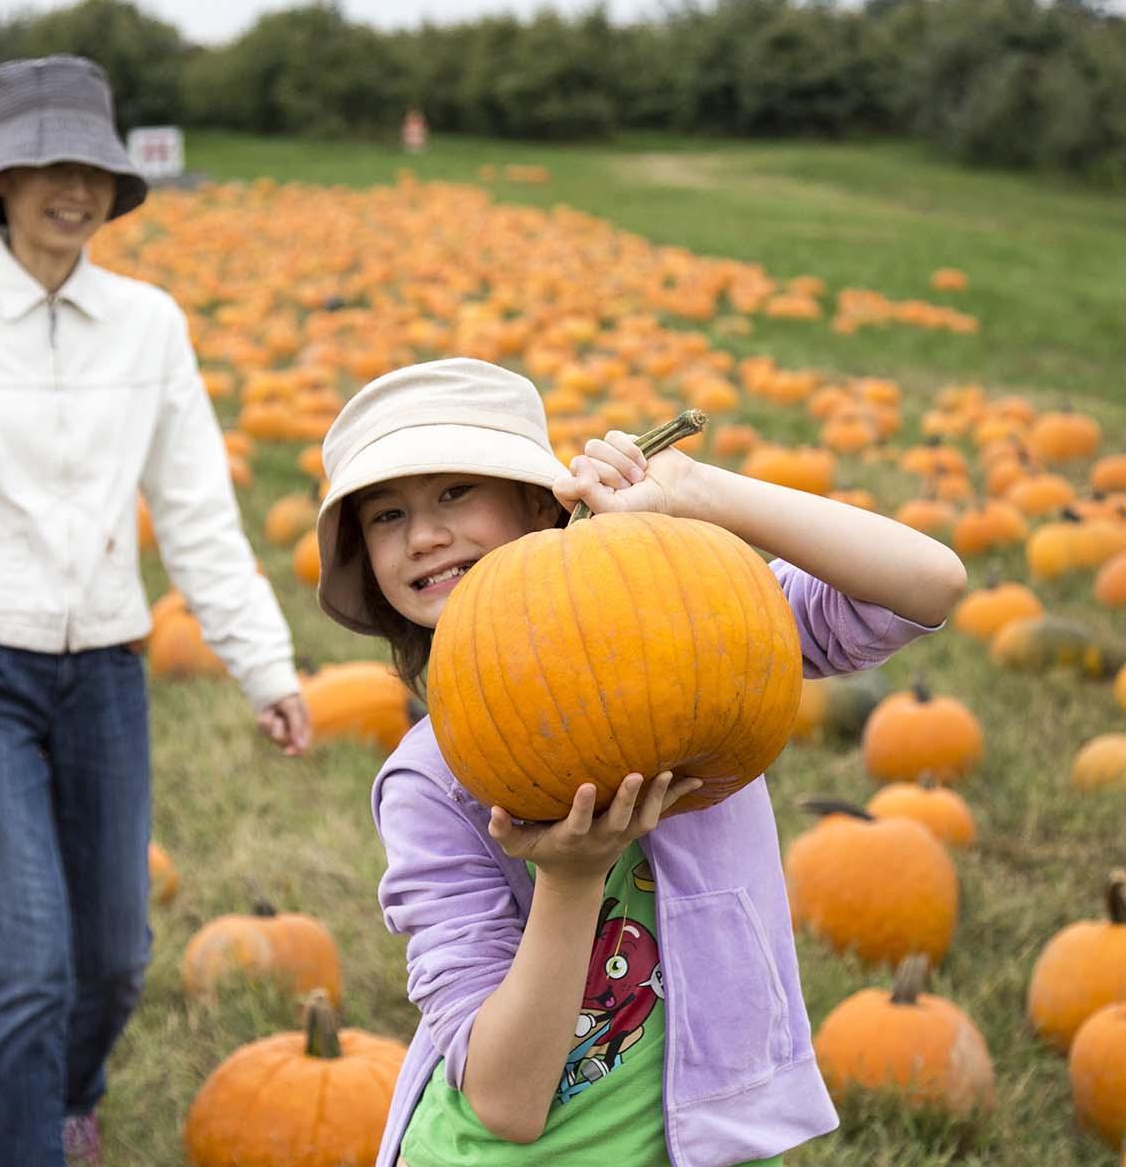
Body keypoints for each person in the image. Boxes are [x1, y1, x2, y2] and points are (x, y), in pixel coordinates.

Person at [0, 55, 310, 1167]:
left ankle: (72, 1095)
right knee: (29, 960)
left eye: (89, 165)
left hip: (107, 677)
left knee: (117, 953)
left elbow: (197, 514)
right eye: (43, 164)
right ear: (0, 179)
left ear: (116, 181)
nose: (69, 187)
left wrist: (267, 667)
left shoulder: (147, 323)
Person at [310, 358, 967, 1167]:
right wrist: (572, 879)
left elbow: (927, 585)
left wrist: (697, 494)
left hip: (713, 1139)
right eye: (385, 516)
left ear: (538, 504)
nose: (424, 534)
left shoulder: (691, 639)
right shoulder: (431, 780)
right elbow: (505, 1104)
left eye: (454, 494)